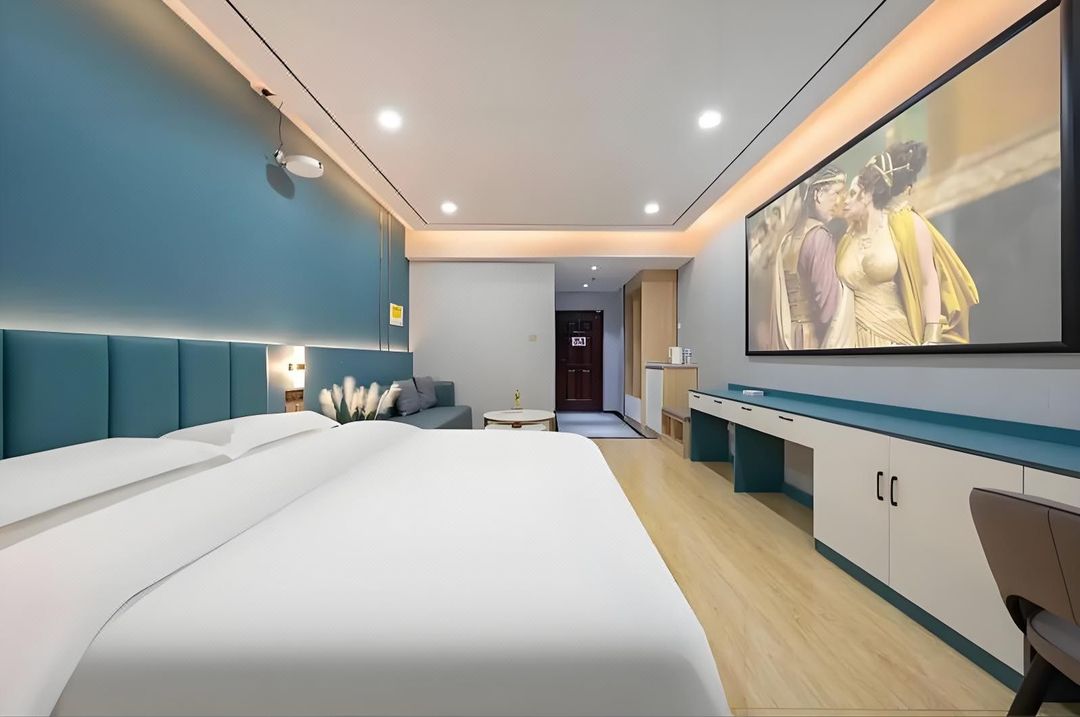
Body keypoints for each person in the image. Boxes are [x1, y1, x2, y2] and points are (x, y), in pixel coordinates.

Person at [835, 141, 979, 348]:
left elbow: (928, 280)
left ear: (867, 195)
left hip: (894, 338)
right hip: (852, 342)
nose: (845, 202)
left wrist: (931, 338)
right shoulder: (846, 240)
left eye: (852, 193)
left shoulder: (906, 224)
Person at [769, 165, 848, 350]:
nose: (841, 201)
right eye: (836, 193)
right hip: (811, 338)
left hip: (790, 334)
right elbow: (829, 306)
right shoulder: (820, 236)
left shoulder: (787, 239)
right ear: (818, 195)